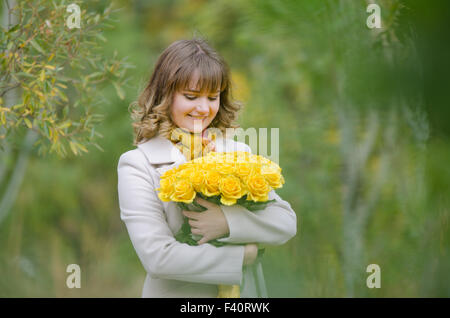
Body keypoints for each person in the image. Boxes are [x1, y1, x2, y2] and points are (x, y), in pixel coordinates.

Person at [117, 37, 297, 297]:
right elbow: (158, 258)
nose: (203, 109)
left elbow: (285, 222)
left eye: (213, 97)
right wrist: (243, 255)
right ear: (165, 96)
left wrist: (226, 222)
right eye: (191, 96)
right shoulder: (137, 164)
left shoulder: (237, 152)